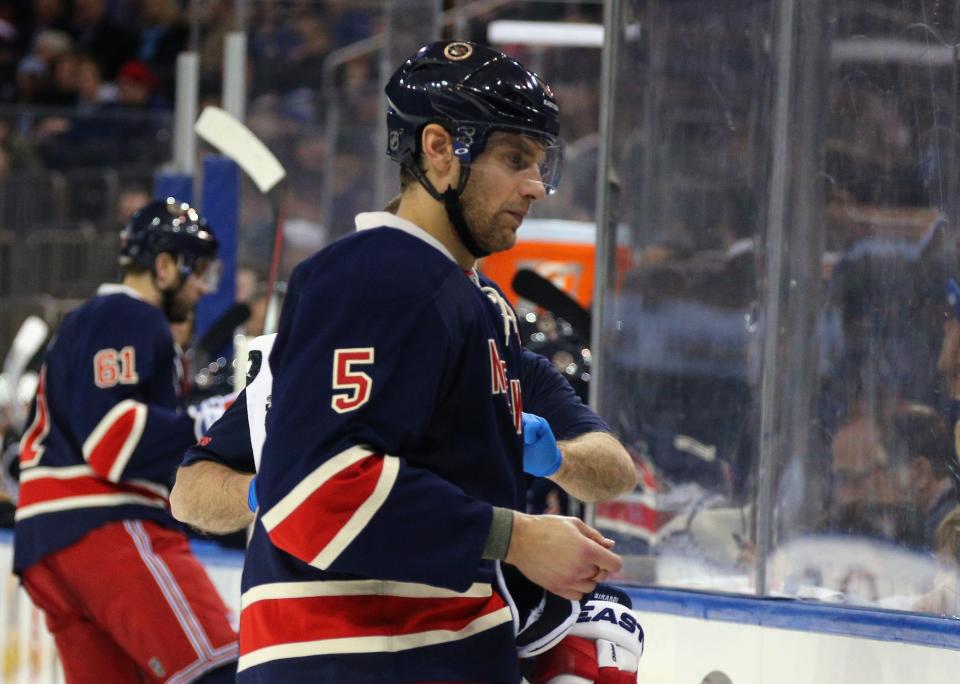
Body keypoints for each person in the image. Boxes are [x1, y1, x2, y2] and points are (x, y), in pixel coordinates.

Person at [220, 41, 633, 683]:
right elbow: (318, 492)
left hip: (423, 647)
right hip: (363, 654)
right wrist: (519, 539)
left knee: (603, 636)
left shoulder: (471, 302)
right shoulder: (376, 276)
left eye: (540, 164)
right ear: (440, 148)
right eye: (514, 158)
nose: (535, 186)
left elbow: (611, 468)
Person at [14, 198, 238, 683]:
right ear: (163, 266)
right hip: (105, 527)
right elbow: (114, 442)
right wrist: (209, 417)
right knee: (219, 672)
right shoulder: (128, 315)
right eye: (196, 270)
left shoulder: (96, 320)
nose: (202, 287)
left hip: (48, 545)